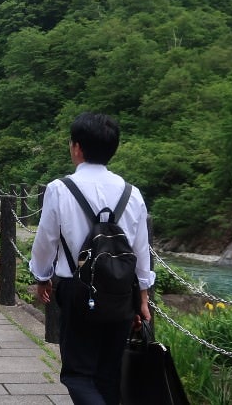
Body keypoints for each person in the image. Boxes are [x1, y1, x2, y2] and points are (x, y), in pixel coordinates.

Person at [28, 112, 154, 405]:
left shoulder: (60, 189)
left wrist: (42, 276)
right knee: (108, 373)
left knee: (78, 374)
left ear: (77, 148)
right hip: (121, 293)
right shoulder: (131, 193)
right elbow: (140, 250)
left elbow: (45, 240)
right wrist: (143, 297)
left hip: (77, 289)